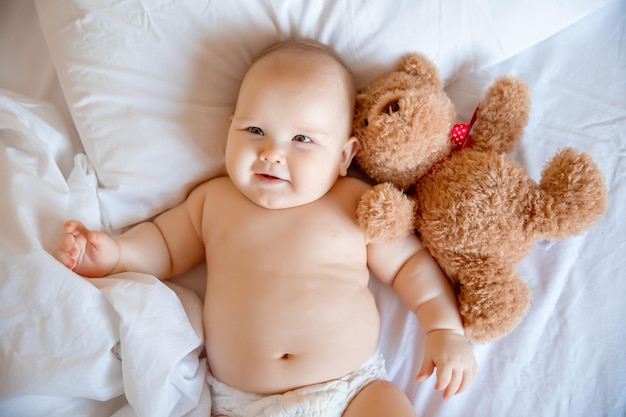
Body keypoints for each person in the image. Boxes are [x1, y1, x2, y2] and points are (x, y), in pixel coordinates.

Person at [54, 39, 477, 417]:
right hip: (242, 403)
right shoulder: (214, 201)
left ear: (344, 155)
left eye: (302, 140)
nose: (272, 152)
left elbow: (409, 267)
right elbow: (164, 245)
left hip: (352, 391)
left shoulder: (353, 202)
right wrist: (116, 253)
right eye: (255, 130)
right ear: (229, 132)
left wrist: (442, 328)